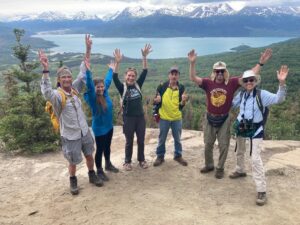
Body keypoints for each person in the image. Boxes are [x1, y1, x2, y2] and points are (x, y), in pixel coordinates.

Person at [188, 48, 272, 179]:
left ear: (225, 72)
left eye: (222, 71)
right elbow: (193, 78)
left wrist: (260, 63)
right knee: (208, 143)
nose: (220, 73)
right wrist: (192, 63)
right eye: (217, 71)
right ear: (214, 72)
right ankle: (209, 165)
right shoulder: (207, 83)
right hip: (210, 117)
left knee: (224, 145)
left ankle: (220, 168)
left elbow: (249, 76)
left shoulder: (232, 82)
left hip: (224, 118)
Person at [39, 49, 103, 196]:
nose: (67, 79)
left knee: (89, 154)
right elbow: (46, 91)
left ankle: (91, 175)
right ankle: (73, 180)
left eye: (68, 76)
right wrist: (45, 69)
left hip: (84, 131)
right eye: (64, 77)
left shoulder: (74, 90)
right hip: (70, 135)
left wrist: (88, 51)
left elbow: (82, 74)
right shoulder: (56, 96)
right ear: (59, 80)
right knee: (72, 161)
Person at [230, 66, 288, 206]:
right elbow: (231, 105)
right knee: (239, 151)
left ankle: (261, 190)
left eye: (251, 80)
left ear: (255, 81)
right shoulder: (242, 94)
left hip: (256, 129)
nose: (249, 82)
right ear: (243, 83)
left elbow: (279, 99)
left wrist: (281, 83)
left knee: (255, 159)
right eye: (246, 80)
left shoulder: (262, 95)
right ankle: (240, 170)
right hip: (242, 126)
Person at [81, 35, 119, 183]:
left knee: (108, 148)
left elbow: (108, 81)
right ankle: (100, 170)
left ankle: (108, 164)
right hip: (99, 129)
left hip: (109, 127)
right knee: (100, 150)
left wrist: (111, 68)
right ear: (95, 88)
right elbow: (90, 85)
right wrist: (89, 72)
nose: (101, 88)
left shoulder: (106, 91)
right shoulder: (92, 97)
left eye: (102, 87)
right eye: (99, 87)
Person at [112, 44, 152, 171]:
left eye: (133, 76)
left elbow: (145, 71)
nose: (131, 77)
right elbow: (114, 77)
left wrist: (144, 57)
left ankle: (141, 160)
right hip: (128, 118)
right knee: (129, 141)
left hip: (140, 117)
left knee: (141, 140)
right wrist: (117, 63)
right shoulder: (122, 87)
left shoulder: (138, 85)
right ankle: (127, 162)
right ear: (126, 76)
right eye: (129, 75)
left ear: (135, 78)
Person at [152, 66, 189, 167]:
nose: (174, 76)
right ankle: (160, 156)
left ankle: (178, 155)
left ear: (178, 76)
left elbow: (181, 105)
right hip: (164, 117)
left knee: (177, 138)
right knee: (162, 138)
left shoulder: (181, 88)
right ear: (169, 75)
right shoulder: (162, 86)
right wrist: (156, 100)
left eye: (176, 74)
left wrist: (184, 101)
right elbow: (155, 101)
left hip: (176, 118)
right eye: (172, 74)